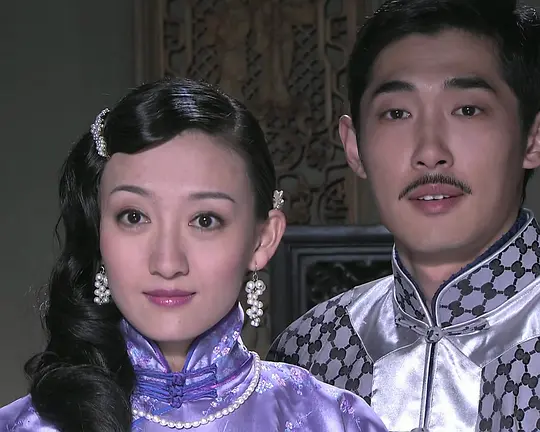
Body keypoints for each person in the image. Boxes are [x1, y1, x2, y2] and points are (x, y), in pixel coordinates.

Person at [0, 78, 388, 432]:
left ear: (262, 240)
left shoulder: (333, 421)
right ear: (99, 233)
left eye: (204, 220)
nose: (167, 263)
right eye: (134, 217)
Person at [268, 0, 540, 431]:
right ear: (354, 147)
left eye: (467, 110)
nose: (430, 152)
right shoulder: (308, 355)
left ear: (532, 138)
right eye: (397, 113)